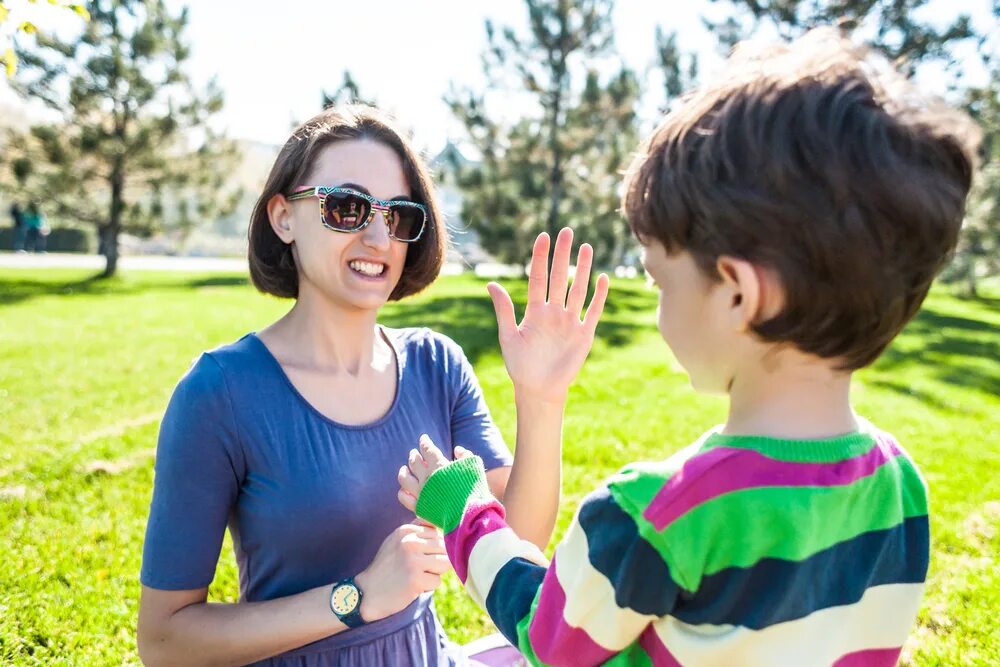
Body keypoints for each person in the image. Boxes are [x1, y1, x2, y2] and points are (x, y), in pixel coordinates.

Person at [398, 28, 979, 666]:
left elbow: (547, 636)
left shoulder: (655, 513)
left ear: (736, 293)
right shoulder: (901, 489)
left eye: (660, 278)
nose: (658, 303)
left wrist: (466, 509)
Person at [136, 104, 607, 666]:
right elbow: (165, 640)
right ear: (283, 217)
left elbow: (519, 539)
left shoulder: (438, 363)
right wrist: (356, 598)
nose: (378, 236)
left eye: (398, 216)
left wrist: (541, 397)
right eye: (347, 208)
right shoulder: (219, 393)